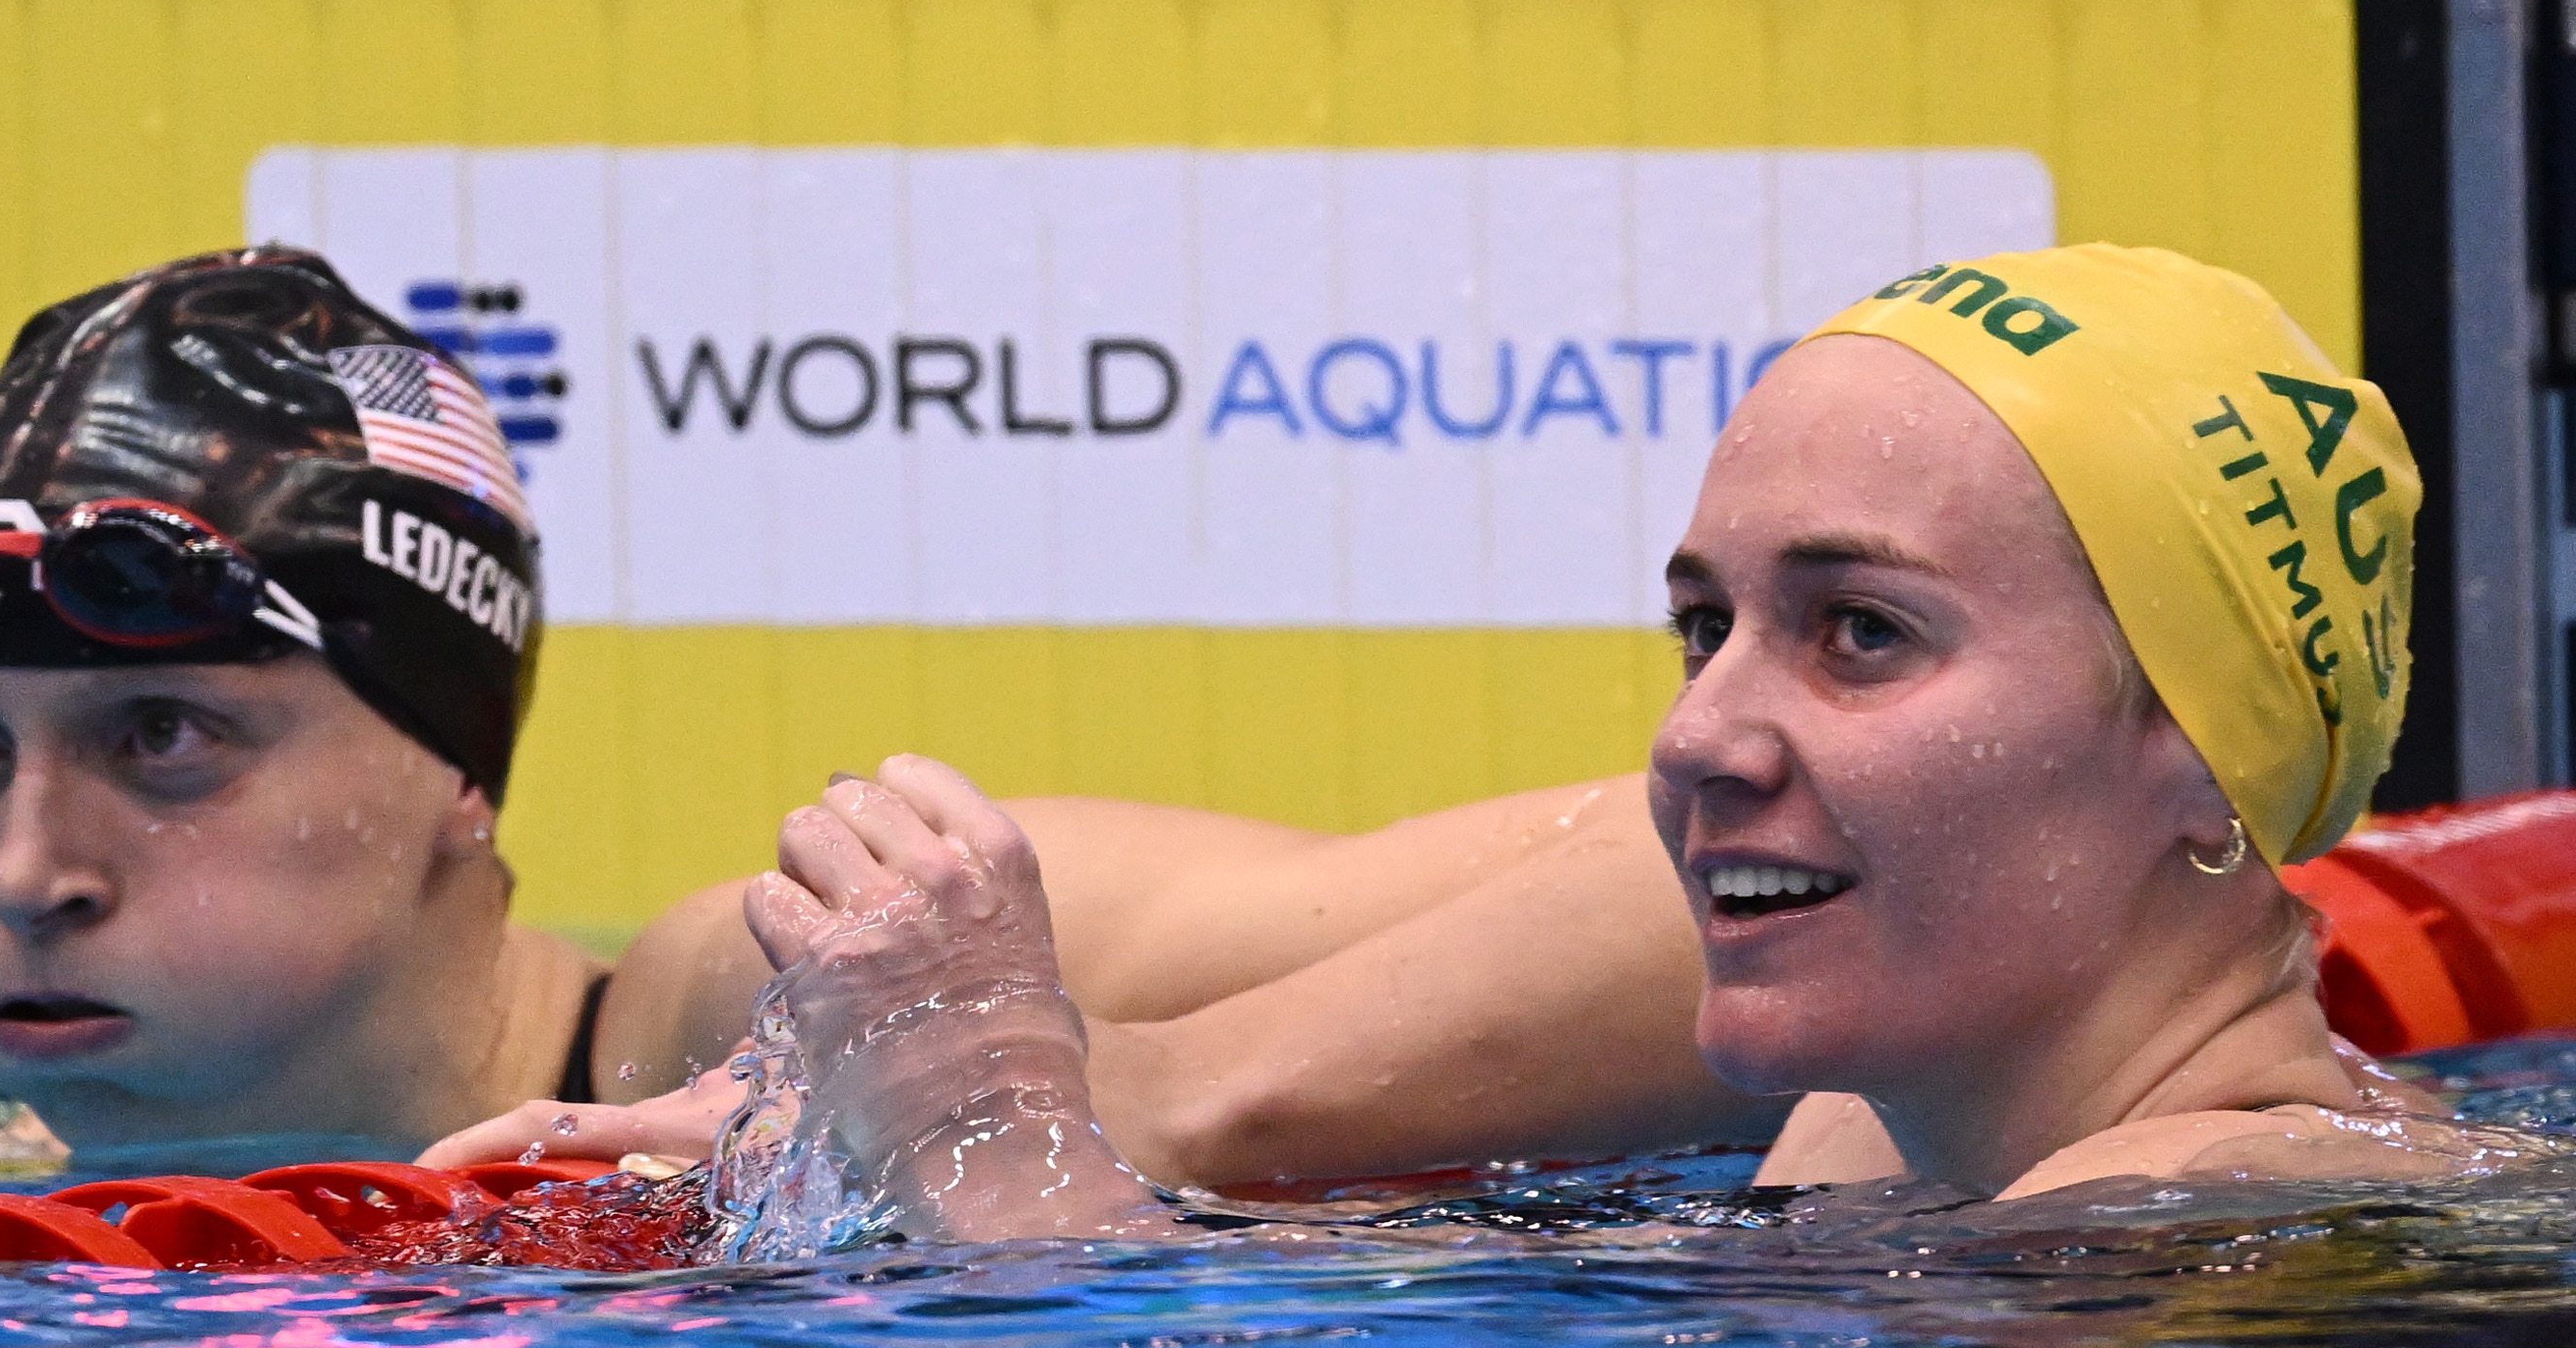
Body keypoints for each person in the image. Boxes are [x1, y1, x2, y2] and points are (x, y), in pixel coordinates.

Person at [720, 245, 2526, 1243]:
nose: (1701, 732)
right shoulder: (1884, 1141)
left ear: (2198, 753)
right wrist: (846, 1127)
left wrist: (1000, 1149)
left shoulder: (2191, 1242)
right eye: (1704, 625)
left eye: (1863, 633)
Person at [0, 251, 1769, 1177]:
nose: (29, 868)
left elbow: (1742, 866)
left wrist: (1104, 1105)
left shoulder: (784, 996)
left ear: (456, 763)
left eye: (161, 742)